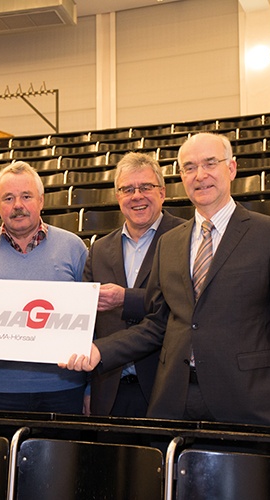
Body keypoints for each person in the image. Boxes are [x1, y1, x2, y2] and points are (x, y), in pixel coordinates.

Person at [63, 132, 270, 429]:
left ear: (232, 168)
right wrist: (100, 351)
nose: (200, 175)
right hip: (174, 401)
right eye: (189, 167)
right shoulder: (170, 243)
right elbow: (158, 323)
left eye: (210, 163)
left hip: (245, 401)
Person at [0, 161, 89, 414]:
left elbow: (93, 321)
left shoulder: (73, 247)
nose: (18, 205)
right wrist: (6, 301)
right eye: (8, 198)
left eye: (26, 196)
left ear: (41, 200)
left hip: (64, 387)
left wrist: (91, 389)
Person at [84, 152, 184, 417]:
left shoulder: (187, 238)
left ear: (162, 192)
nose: (136, 195)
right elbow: (86, 323)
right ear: (118, 197)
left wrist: (125, 298)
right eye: (127, 189)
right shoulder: (100, 249)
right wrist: (86, 389)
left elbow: (182, 307)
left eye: (146, 187)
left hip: (166, 389)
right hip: (109, 391)